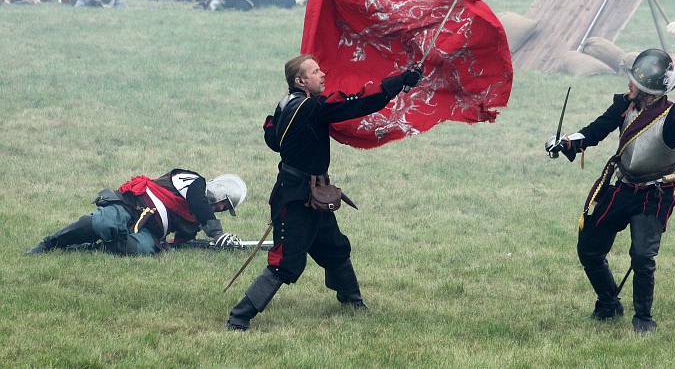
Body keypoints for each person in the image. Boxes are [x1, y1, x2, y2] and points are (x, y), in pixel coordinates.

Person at [226, 55, 422, 330]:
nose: (323, 74)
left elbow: (272, 139)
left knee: (335, 248)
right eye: (315, 71)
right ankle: (239, 318)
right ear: (300, 80)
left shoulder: (286, 105)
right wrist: (399, 82)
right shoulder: (311, 107)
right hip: (295, 200)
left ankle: (352, 301)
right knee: (286, 263)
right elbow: (358, 103)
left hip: (314, 194)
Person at [546, 44, 675, 334]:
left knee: (642, 256)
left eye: (638, 84)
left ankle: (643, 318)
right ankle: (608, 303)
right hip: (623, 188)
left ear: (650, 91)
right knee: (590, 248)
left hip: (655, 194)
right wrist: (566, 143)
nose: (631, 85)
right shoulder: (624, 106)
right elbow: (595, 130)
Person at [28, 170, 247, 255]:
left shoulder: (196, 221)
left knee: (136, 248)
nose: (220, 209)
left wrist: (215, 247)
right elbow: (198, 203)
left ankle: (83, 251)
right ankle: (50, 243)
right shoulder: (195, 183)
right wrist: (216, 233)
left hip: (149, 232)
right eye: (223, 204)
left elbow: (179, 242)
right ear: (219, 191)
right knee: (103, 225)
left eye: (224, 209)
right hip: (129, 206)